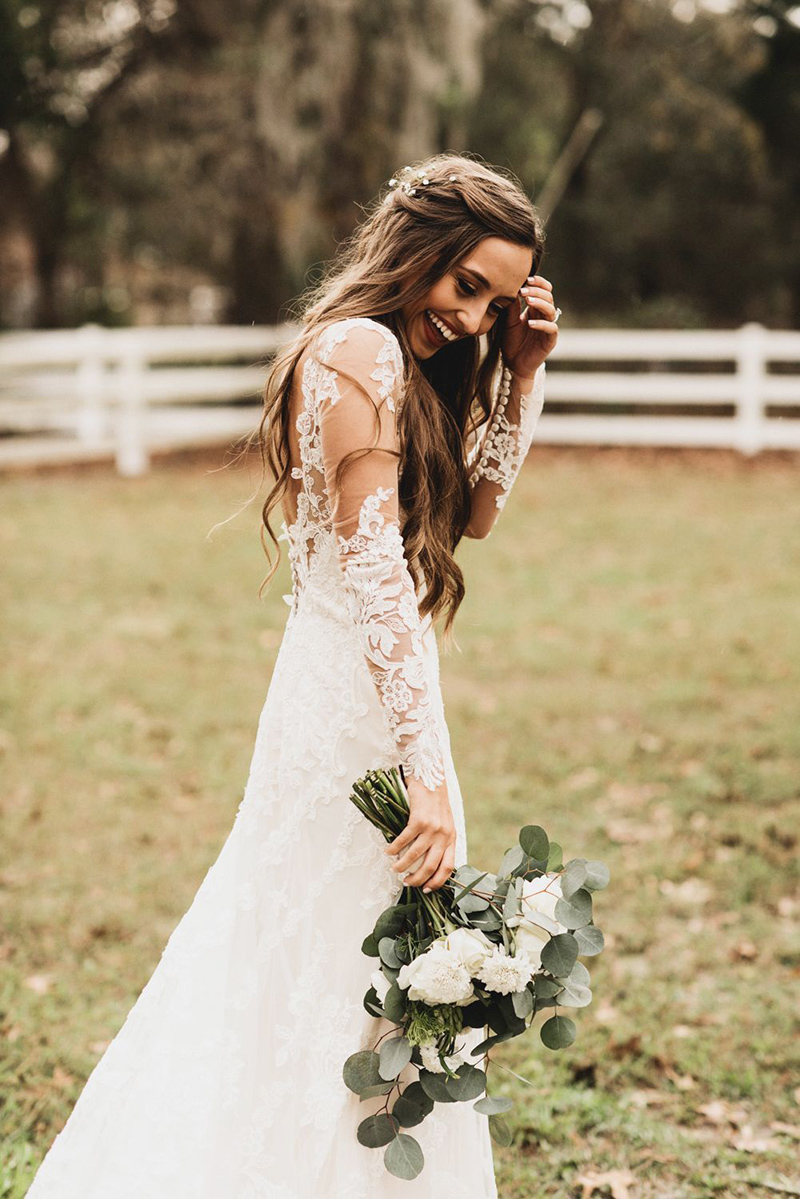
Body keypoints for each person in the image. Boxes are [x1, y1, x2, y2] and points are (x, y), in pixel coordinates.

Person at [26, 152, 560, 1198]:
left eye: (498, 302)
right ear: (417, 251)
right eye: (467, 286)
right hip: (346, 693)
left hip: (380, 681)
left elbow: (476, 513)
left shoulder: (415, 361)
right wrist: (429, 770)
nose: (475, 316)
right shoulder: (355, 349)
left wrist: (521, 371)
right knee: (313, 945)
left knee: (366, 962)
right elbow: (373, 576)